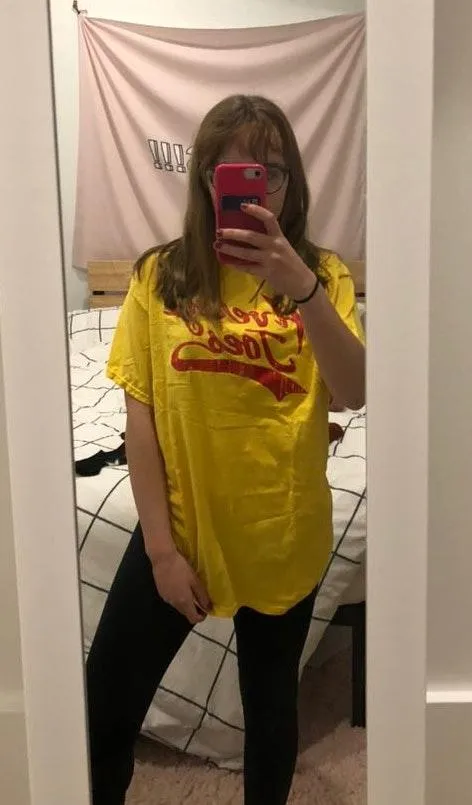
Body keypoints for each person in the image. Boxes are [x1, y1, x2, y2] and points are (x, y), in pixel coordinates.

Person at [86, 94, 365, 805]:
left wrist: (302, 287)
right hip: (180, 530)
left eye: (270, 173)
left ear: (290, 184)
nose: (253, 190)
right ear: (207, 181)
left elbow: (354, 391)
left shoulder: (322, 275)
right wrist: (160, 553)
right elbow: (141, 417)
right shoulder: (160, 276)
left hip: (283, 534)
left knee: (270, 718)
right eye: (233, 173)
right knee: (103, 710)